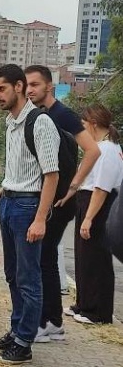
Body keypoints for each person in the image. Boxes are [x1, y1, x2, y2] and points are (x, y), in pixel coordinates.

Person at [0, 64, 60, 364]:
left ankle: (25, 341)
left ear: (19, 87)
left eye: (1, 89)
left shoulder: (39, 122)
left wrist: (41, 219)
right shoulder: (10, 122)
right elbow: (19, 165)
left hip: (29, 207)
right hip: (10, 203)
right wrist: (3, 189)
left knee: (29, 277)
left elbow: (51, 175)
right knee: (13, 274)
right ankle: (16, 331)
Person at [24, 65, 101, 342]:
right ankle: (50, 321)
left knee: (44, 258)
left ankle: (49, 321)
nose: (30, 90)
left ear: (48, 86)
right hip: (48, 197)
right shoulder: (37, 115)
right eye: (27, 85)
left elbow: (93, 150)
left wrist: (73, 186)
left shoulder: (62, 114)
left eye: (35, 84)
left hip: (60, 200)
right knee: (43, 257)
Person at [65, 104, 123, 325]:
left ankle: (97, 311)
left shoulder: (107, 149)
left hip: (97, 204)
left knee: (96, 259)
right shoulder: (102, 147)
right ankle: (84, 303)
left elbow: (102, 188)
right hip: (87, 200)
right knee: (84, 257)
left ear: (93, 123)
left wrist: (88, 218)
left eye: (83, 124)